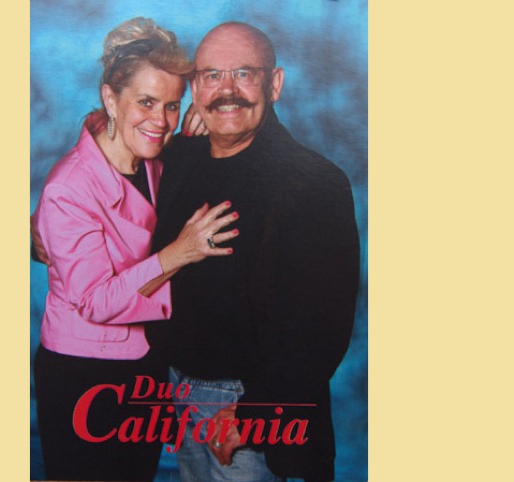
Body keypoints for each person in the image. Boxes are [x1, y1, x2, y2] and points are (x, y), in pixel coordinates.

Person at [143, 22, 361, 482]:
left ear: (274, 84)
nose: (227, 91)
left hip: (248, 409)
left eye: (243, 74)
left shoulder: (314, 183)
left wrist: (255, 413)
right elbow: (116, 161)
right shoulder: (180, 159)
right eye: (212, 76)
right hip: (179, 392)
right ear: (195, 89)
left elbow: (321, 328)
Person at [31, 17, 238, 482]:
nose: (160, 121)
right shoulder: (68, 188)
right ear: (111, 98)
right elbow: (95, 300)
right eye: (146, 102)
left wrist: (201, 128)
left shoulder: (157, 160)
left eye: (171, 105)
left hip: (145, 367)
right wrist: (181, 252)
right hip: (84, 375)